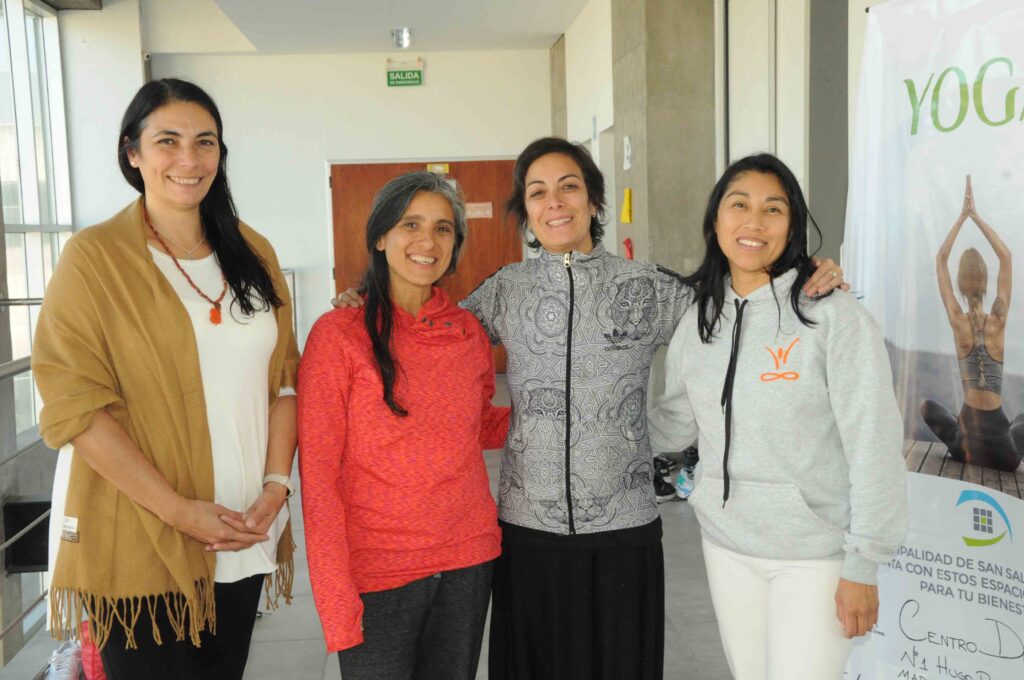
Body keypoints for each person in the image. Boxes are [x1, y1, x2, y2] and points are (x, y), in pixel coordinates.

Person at [334, 138, 846, 680]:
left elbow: (740, 310)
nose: (554, 202)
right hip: (527, 532)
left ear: (595, 201)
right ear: (526, 212)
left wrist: (802, 277)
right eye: (537, 192)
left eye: (569, 187)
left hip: (624, 531)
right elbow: (427, 332)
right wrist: (363, 304)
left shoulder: (650, 288)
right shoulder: (505, 290)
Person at [33, 78, 300, 680]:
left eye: (205, 142)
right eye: (167, 141)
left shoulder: (252, 250)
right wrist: (178, 512)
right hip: (140, 534)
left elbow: (285, 379)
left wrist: (275, 491)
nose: (189, 159)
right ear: (132, 152)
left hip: (242, 527)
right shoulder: (94, 259)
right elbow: (76, 407)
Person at [648, 153, 908, 679]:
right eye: (739, 205)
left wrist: (863, 564)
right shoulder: (698, 319)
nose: (754, 222)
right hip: (726, 544)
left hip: (814, 555)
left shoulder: (832, 315)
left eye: (773, 209)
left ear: (792, 226)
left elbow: (874, 446)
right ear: (715, 220)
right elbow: (674, 421)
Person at [298, 171, 510, 680]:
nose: (427, 241)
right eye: (410, 224)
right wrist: (335, 602)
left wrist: (562, 410)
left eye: (442, 228)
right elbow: (319, 479)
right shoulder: (339, 335)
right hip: (379, 570)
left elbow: (478, 425)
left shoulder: (467, 332)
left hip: (467, 560)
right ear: (380, 236)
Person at [920, 176, 1023, 472]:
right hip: (1004, 454)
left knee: (927, 407)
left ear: (960, 285)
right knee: (1020, 421)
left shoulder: (957, 320)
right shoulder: (998, 320)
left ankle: (960, 426)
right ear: (986, 282)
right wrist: (976, 217)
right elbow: (1006, 257)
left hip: (966, 444)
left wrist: (961, 218)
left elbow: (941, 259)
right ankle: (997, 432)